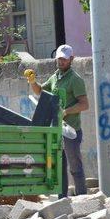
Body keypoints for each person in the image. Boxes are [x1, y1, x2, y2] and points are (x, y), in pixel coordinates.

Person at [27, 44, 89, 196]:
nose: (61, 62)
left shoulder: (75, 79)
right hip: (57, 130)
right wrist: (32, 81)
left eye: (64, 60)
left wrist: (65, 112)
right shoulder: (55, 77)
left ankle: (82, 199)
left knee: (75, 167)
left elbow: (84, 104)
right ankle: (63, 199)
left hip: (71, 130)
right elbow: (40, 91)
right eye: (59, 59)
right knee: (59, 167)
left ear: (71, 59)